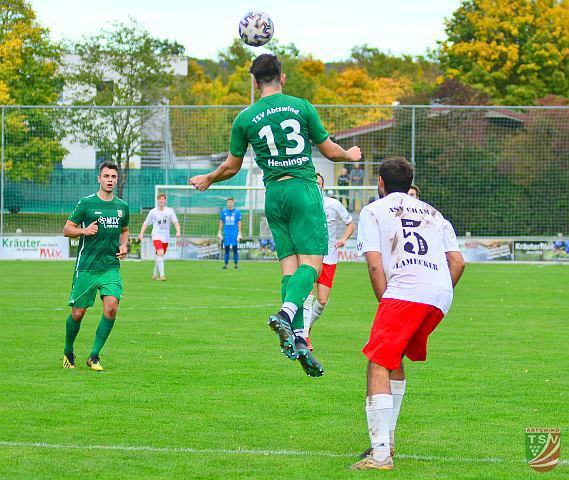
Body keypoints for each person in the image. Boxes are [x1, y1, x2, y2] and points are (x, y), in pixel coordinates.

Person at [190, 54, 361, 377]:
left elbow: (231, 166)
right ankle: (286, 314)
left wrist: (208, 179)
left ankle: (297, 338)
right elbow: (330, 151)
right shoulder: (301, 106)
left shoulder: (246, 117)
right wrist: (349, 154)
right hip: (303, 190)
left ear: (254, 83)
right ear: (282, 77)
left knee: (290, 268)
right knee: (312, 265)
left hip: (274, 196)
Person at [351, 157, 465, 470]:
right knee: (393, 358)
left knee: (377, 362)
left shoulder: (373, 211)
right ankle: (388, 440)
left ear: (380, 183)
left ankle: (380, 455)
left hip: (405, 292)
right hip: (439, 294)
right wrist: (438, 291)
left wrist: (387, 301)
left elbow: (374, 264)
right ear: (410, 181)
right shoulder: (434, 212)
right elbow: (458, 262)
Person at [62, 162, 130, 371]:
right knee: (78, 314)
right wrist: (83, 231)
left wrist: (124, 245)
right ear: (99, 179)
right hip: (87, 267)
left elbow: (125, 230)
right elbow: (67, 229)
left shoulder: (122, 207)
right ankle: (68, 351)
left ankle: (94, 356)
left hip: (110, 267)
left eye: (113, 176)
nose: (110, 180)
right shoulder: (86, 204)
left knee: (111, 308)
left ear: (117, 179)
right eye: (106, 176)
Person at [302, 173, 355, 350]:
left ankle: (307, 326)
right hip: (309, 255)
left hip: (329, 258)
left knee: (322, 301)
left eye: (318, 183)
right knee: (307, 297)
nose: (315, 186)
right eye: (313, 183)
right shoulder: (304, 204)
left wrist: (343, 239)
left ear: (323, 186)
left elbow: (350, 223)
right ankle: (305, 336)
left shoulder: (333, 204)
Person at [138, 193, 181, 281]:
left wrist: (178, 231)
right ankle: (162, 275)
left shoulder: (169, 211)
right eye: (159, 199)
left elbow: (175, 222)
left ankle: (154, 273)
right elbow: (146, 223)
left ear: (165, 201)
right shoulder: (153, 212)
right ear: (157, 200)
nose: (161, 201)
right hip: (156, 235)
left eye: (163, 199)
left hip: (166, 237)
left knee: (160, 255)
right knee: (160, 252)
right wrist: (141, 233)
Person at [219, 197, 242, 269]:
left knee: (235, 249)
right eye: (228, 202)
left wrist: (239, 233)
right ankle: (226, 265)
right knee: (226, 249)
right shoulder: (223, 212)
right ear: (227, 203)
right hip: (227, 234)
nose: (229, 204)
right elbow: (221, 222)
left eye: (231, 202)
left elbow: (239, 222)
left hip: (234, 233)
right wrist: (219, 232)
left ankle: (236, 264)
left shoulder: (237, 212)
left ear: (233, 203)